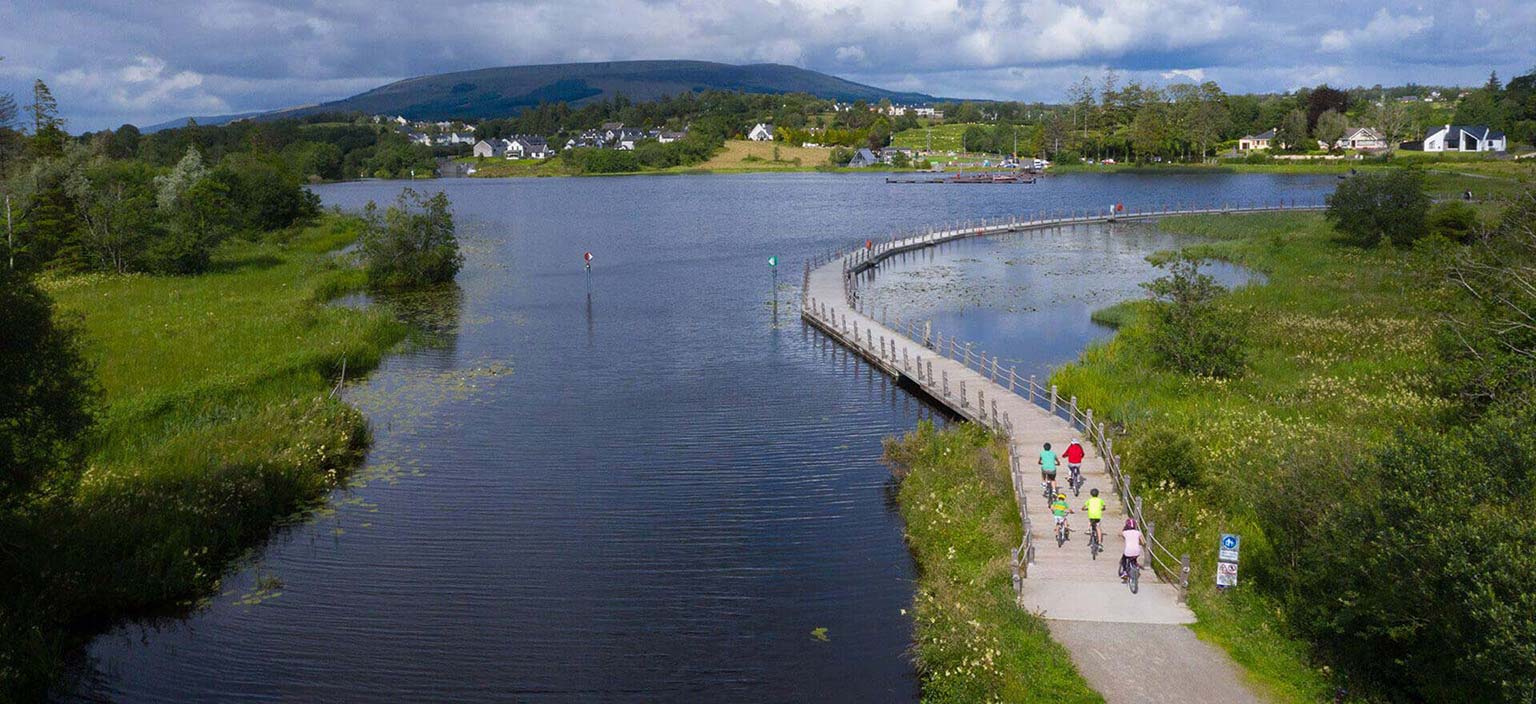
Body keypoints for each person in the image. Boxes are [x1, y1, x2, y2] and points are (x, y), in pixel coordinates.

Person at [1120, 518, 1145, 582]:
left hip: (1128, 551)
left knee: (1124, 559)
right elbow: (1143, 542)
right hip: (1137, 551)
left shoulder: (1125, 532)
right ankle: (1136, 565)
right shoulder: (1138, 532)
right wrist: (1139, 542)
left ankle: (1125, 571)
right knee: (1134, 557)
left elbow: (1119, 534)